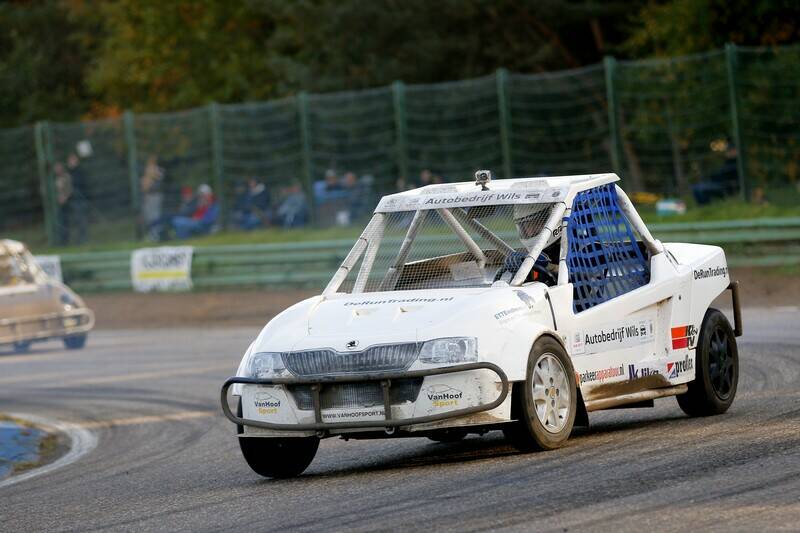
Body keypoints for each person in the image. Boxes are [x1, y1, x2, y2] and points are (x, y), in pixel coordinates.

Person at [65, 152, 88, 244]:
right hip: (71, 200)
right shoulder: (68, 172)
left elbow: (80, 184)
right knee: (74, 221)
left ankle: (82, 239)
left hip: (80, 199)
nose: (71, 162)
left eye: (73, 160)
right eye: (70, 160)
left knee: (81, 220)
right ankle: (75, 239)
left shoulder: (79, 172)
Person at [140, 156, 164, 241]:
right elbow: (144, 186)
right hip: (148, 196)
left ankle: (156, 234)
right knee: (148, 216)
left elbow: (159, 178)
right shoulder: (147, 170)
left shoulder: (157, 170)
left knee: (155, 216)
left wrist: (153, 175)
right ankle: (152, 234)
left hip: (155, 196)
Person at [53, 162, 72, 245]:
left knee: (65, 221)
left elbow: (69, 189)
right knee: (58, 222)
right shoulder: (53, 178)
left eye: (59, 168)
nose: (57, 170)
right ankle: (59, 240)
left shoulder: (66, 176)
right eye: (56, 168)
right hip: (56, 204)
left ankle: (65, 240)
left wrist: (65, 197)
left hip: (66, 203)